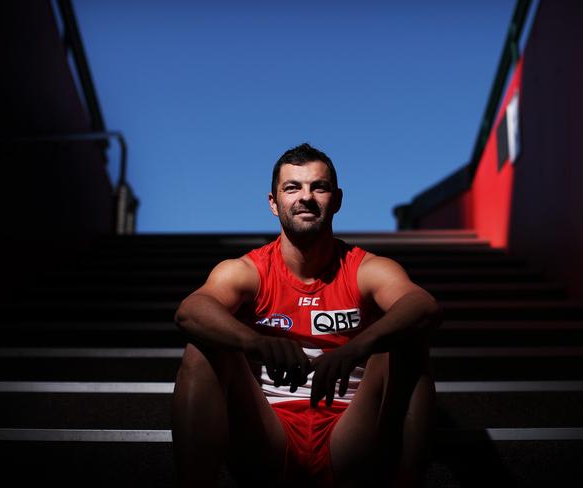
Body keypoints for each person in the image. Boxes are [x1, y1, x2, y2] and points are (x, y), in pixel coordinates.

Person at [172, 143, 443, 487]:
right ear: (273, 203)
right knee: (203, 345)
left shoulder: (365, 268)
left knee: (408, 340)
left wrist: (358, 347)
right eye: (292, 187)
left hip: (352, 435)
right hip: (268, 435)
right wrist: (253, 341)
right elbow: (190, 311)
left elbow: (423, 307)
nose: (306, 197)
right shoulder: (248, 270)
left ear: (337, 200)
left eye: (319, 187)